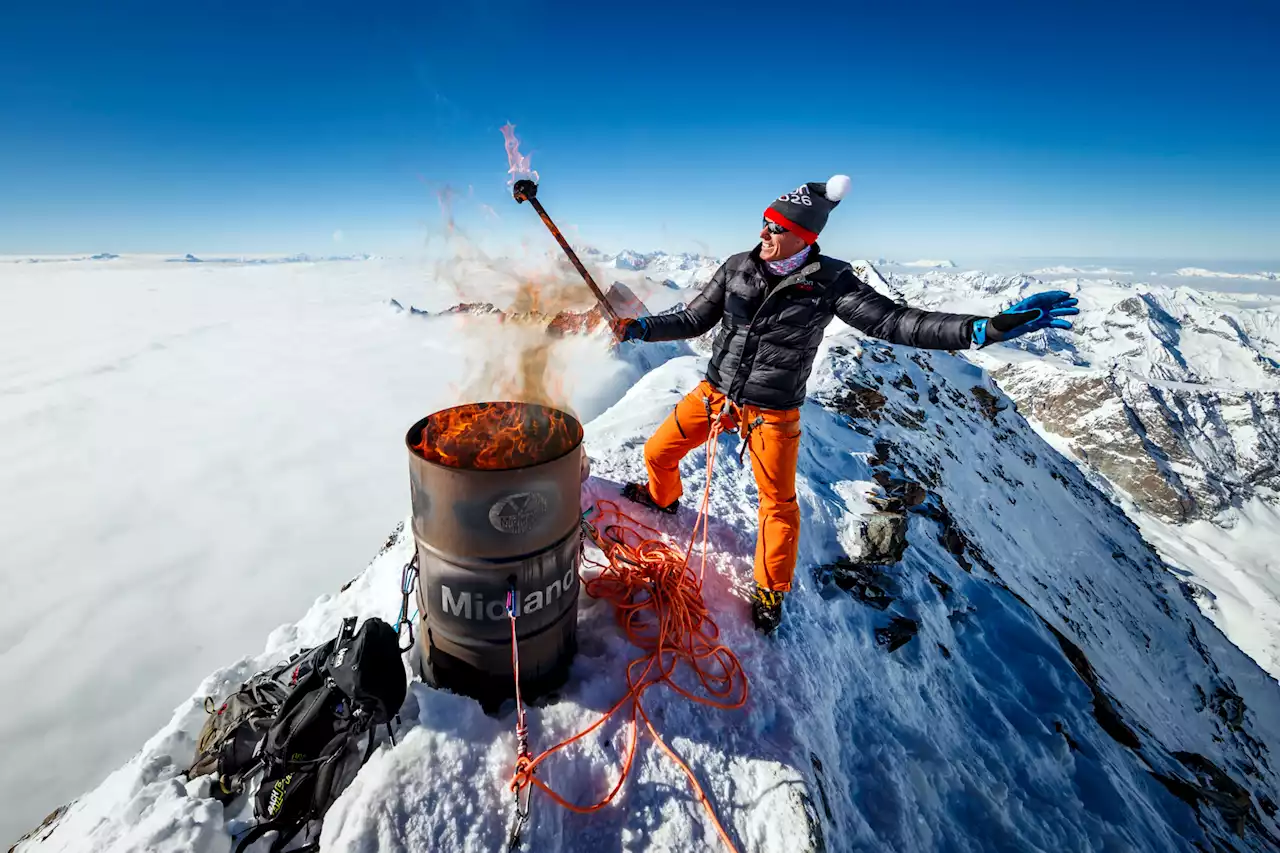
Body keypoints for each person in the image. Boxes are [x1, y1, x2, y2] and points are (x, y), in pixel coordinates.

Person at [614, 175, 1078, 634]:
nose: (763, 233)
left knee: (777, 504)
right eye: (763, 222)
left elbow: (897, 322)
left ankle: (771, 589)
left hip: (772, 410)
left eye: (774, 227)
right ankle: (663, 498)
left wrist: (983, 329)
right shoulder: (738, 266)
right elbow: (695, 317)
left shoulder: (831, 282)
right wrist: (643, 328)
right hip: (716, 393)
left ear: (803, 236)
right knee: (659, 452)